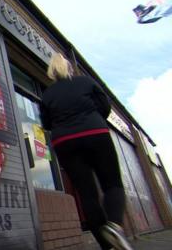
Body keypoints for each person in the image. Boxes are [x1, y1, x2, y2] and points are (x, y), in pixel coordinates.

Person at [39, 53, 133, 250]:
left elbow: (46, 123)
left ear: (51, 73)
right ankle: (114, 226)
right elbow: (105, 107)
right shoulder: (86, 82)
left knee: (87, 195)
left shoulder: (47, 94)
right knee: (112, 184)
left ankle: (107, 246)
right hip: (95, 133)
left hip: (64, 141)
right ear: (69, 68)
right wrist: (91, 119)